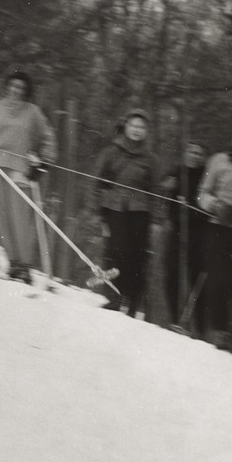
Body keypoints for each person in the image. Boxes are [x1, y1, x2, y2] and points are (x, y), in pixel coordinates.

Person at [0, 70, 58, 279]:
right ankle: (14, 262)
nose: (16, 91)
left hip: (20, 168)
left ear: (26, 92)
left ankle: (25, 264)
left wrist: (43, 162)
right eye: (13, 86)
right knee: (1, 216)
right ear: (6, 87)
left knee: (19, 217)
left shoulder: (32, 112)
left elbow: (48, 138)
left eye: (21, 88)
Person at [92, 109, 159, 318]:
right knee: (115, 252)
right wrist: (97, 210)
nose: (137, 131)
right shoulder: (111, 151)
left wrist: (156, 218)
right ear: (126, 127)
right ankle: (114, 296)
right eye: (133, 126)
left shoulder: (150, 158)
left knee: (137, 256)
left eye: (141, 127)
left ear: (146, 132)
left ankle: (132, 302)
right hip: (114, 209)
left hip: (140, 211)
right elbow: (96, 181)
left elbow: (156, 190)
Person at [197, 128, 232, 352]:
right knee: (218, 278)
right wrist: (215, 205)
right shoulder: (218, 161)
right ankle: (220, 331)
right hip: (218, 227)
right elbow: (202, 193)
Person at [160, 141, 209, 327]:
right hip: (176, 228)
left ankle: (199, 325)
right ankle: (174, 319)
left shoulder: (206, 174)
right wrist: (168, 186)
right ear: (186, 153)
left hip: (198, 231)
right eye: (192, 152)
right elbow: (162, 188)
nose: (195, 156)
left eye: (199, 153)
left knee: (196, 276)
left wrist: (192, 206)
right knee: (171, 273)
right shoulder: (177, 170)